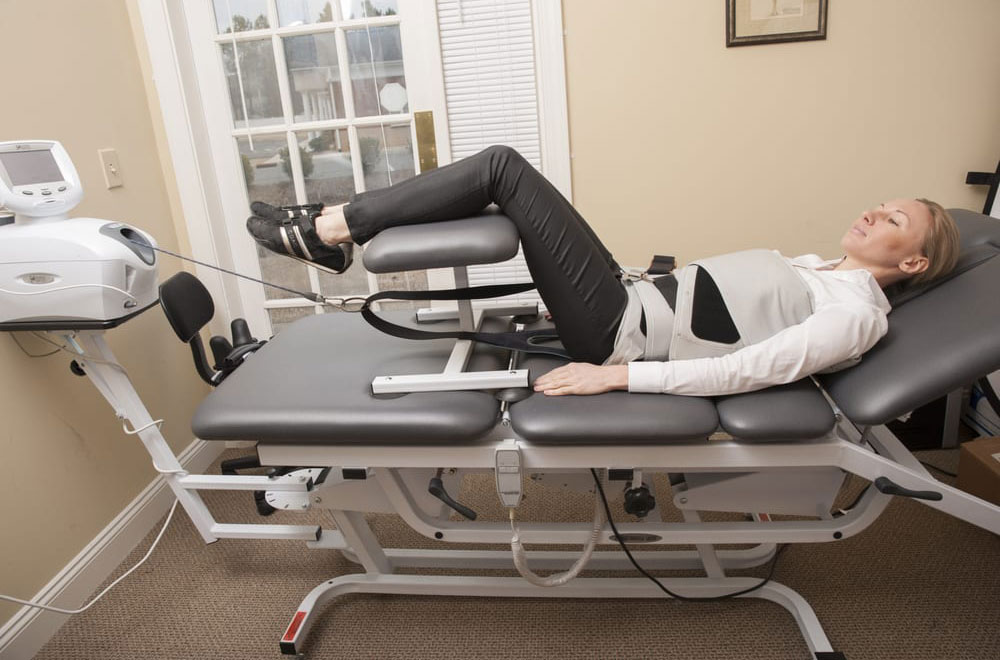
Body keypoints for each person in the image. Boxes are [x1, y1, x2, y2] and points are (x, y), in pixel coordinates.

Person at [246, 145, 960, 398]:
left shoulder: (856, 313)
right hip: (627, 300)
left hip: (621, 333)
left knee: (502, 168)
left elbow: (749, 370)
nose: (873, 214)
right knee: (502, 180)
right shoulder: (819, 268)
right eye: (879, 205)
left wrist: (615, 373)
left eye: (892, 221)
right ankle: (333, 228)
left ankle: (330, 229)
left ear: (913, 261)